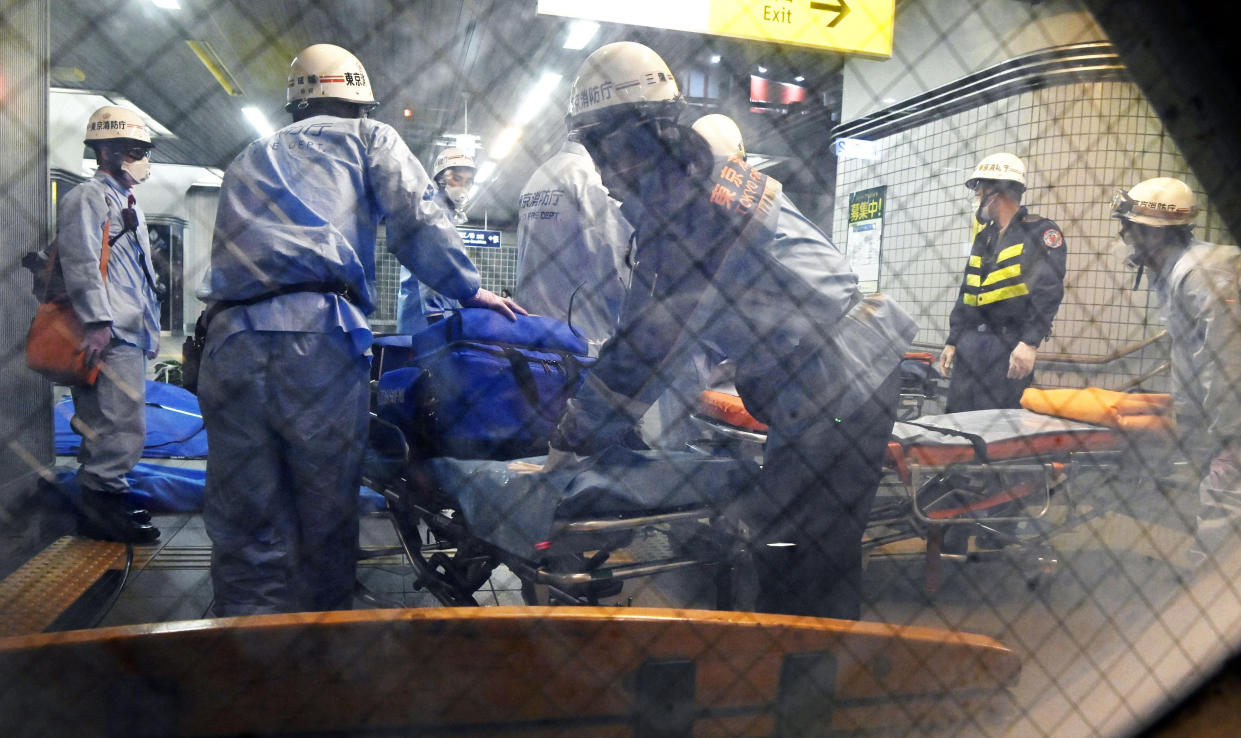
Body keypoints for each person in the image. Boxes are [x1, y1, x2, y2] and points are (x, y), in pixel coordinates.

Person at [548, 42, 918, 620]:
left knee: (800, 551)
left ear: (631, 139)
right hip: (828, 376)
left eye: (599, 145)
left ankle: (805, 686)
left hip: (839, 381)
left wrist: (575, 433)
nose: (596, 165)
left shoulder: (691, 204)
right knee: (806, 545)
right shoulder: (693, 182)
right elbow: (658, 322)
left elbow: (649, 342)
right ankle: (803, 669)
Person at [198, 43, 523, 616]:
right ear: (361, 102)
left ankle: (244, 642)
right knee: (324, 495)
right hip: (315, 336)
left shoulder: (251, 155)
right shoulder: (369, 138)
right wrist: (471, 290)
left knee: (244, 507)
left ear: (297, 102)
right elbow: (417, 218)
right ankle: (324, 629)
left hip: (230, 335)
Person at [1111, 177, 1241, 556]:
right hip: (1210, 416)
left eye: (1130, 228)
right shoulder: (1171, 270)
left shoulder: (1201, 273)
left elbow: (1227, 358)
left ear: (1153, 233)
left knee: (1224, 500)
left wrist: (1230, 434)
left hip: (1231, 416)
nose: (1124, 236)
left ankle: (1213, 587)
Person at [55, 105, 161, 544]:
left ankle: (107, 498)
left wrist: (150, 331)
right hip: (110, 330)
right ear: (107, 152)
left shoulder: (126, 202)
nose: (141, 159)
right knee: (117, 424)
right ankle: (100, 507)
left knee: (118, 421)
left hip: (129, 330)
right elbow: (81, 261)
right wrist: (97, 322)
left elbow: (137, 275)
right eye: (133, 150)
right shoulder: (88, 197)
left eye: (142, 150)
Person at [938, 153, 1066, 412]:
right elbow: (968, 290)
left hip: (1008, 344)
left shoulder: (1040, 233)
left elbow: (1048, 291)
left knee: (996, 420)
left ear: (994, 192)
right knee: (957, 416)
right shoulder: (984, 237)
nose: (976, 198)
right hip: (971, 342)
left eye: (978, 190)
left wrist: (1030, 343)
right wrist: (953, 340)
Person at [515, 127, 633, 348]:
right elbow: (617, 275)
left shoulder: (540, 175)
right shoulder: (588, 179)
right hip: (578, 338)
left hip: (530, 330)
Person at [395, 147, 475, 332]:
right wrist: (435, 317)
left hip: (423, 315)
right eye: (456, 178)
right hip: (426, 320)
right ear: (440, 179)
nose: (462, 187)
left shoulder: (443, 212)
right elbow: (432, 269)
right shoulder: (434, 212)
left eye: (468, 181)